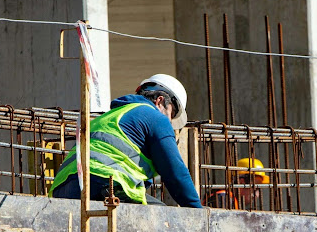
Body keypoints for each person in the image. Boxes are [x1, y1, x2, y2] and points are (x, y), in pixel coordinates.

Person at [49, 74, 202, 208]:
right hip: (104, 183)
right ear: (160, 102)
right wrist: (197, 212)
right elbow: (175, 173)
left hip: (63, 190)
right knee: (162, 217)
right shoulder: (155, 117)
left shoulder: (109, 117)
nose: (169, 121)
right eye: (171, 113)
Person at [203, 157, 269, 209]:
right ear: (241, 183)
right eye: (255, 188)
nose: (257, 195)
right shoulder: (223, 199)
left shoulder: (232, 201)